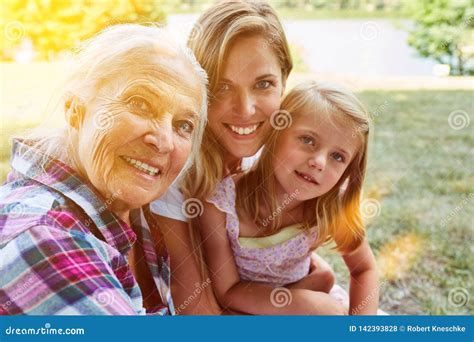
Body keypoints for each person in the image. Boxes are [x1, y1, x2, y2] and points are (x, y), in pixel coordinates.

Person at [0, 24, 208, 315]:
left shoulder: (134, 211)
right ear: (76, 109)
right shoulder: (46, 237)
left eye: (183, 125)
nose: (164, 142)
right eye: (140, 104)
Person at [151, 0, 336, 315]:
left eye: (263, 84)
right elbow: (198, 313)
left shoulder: (272, 159)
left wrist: (312, 285)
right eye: (223, 86)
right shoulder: (177, 174)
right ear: (199, 88)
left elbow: (296, 267)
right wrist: (306, 297)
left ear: (284, 82)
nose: (246, 109)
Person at [200, 81, 379, 315]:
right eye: (307, 140)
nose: (319, 162)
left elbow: (364, 269)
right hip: (251, 310)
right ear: (276, 133)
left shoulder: (333, 206)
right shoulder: (221, 204)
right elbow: (228, 292)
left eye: (337, 156)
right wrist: (302, 303)